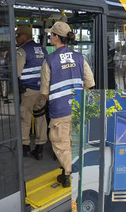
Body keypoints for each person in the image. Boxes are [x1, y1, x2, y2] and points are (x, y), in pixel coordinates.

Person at [40, 21, 95, 188]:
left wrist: (57, 99)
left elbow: (44, 93)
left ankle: (75, 174)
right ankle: (69, 174)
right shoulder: (79, 58)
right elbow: (90, 83)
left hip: (60, 111)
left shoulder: (49, 60)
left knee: (61, 145)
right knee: (76, 143)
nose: (50, 36)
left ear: (56, 37)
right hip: (78, 109)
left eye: (51, 34)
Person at [16, 25, 48, 160]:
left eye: (18, 36)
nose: (17, 39)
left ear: (25, 36)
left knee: (25, 117)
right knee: (41, 117)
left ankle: (26, 148)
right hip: (42, 91)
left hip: (28, 91)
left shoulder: (22, 51)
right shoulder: (43, 50)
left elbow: (17, 72)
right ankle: (39, 149)